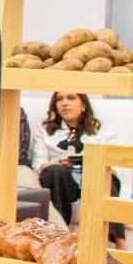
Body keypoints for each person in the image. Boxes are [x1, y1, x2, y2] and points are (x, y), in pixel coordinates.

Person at [34, 90, 125, 245]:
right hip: (62, 180)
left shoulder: (101, 129)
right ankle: (60, 239)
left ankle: (121, 242)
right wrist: (52, 166)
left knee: (102, 175)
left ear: (83, 104)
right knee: (55, 172)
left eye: (71, 98)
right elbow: (38, 162)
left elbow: (116, 164)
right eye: (59, 99)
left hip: (91, 176)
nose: (64, 103)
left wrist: (86, 163)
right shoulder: (45, 129)